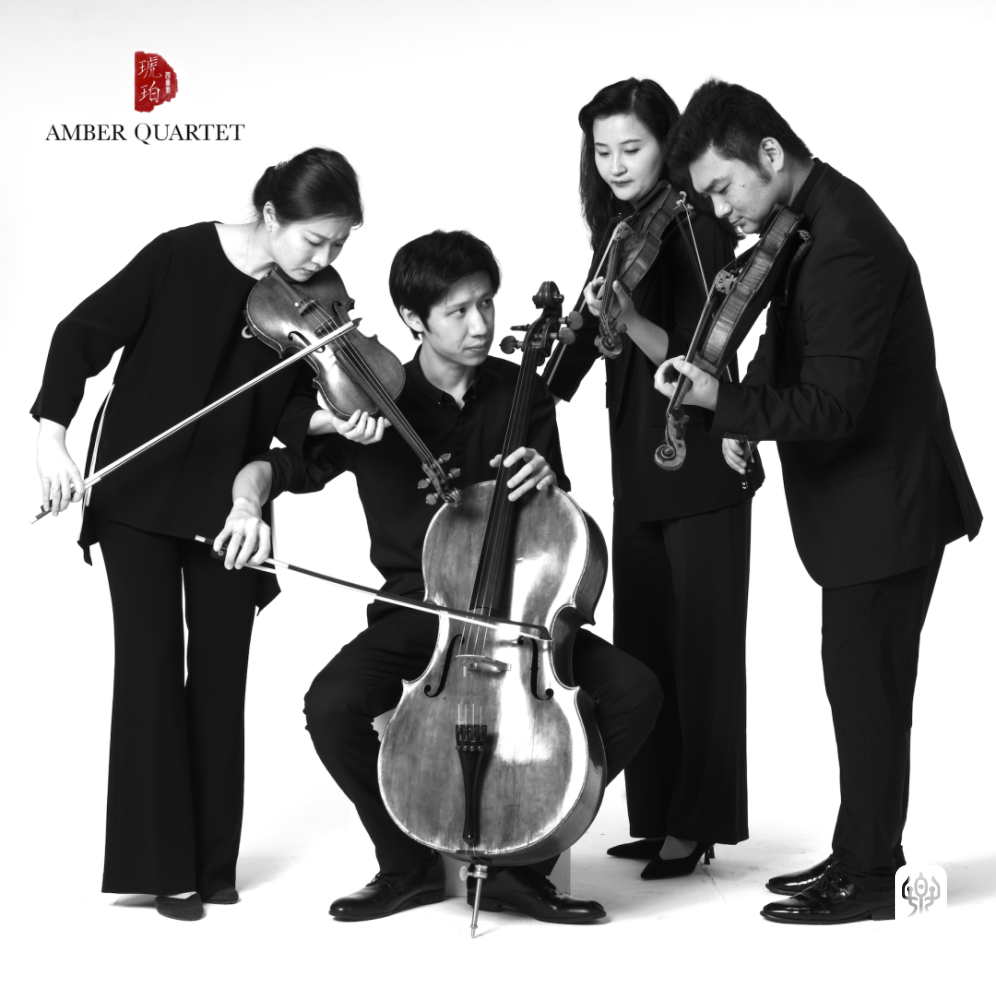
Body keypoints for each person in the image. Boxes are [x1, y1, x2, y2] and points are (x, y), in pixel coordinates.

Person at [216, 230, 662, 924]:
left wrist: (548, 480)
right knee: (331, 706)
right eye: (458, 311)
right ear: (413, 319)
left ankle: (523, 866)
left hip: (518, 615)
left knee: (636, 692)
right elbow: (271, 467)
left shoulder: (522, 389)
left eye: (486, 304)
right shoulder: (370, 401)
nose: (480, 325)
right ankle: (408, 866)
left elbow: (558, 522)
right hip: (418, 613)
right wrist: (247, 506)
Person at [658, 79, 982, 923]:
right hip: (868, 508)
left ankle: (872, 878)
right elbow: (786, 339)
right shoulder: (804, 220)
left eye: (722, 187)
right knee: (859, 688)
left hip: (887, 510)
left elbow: (832, 406)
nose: (720, 210)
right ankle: (858, 853)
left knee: (868, 694)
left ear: (769, 154)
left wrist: (723, 405)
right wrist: (741, 411)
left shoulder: (845, 242)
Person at [31, 147, 365, 921]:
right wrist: (51, 435)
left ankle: (213, 865)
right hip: (138, 495)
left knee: (221, 674)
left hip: (227, 506)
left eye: (338, 245)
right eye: (314, 240)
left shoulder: (302, 303)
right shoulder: (178, 255)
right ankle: (162, 869)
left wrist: (334, 419)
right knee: (148, 672)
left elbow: (288, 406)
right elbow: (81, 332)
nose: (324, 260)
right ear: (271, 214)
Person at [546, 78, 756, 879]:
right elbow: (580, 349)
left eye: (631, 148)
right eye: (602, 151)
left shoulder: (699, 223)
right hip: (636, 468)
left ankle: (697, 825)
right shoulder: (620, 232)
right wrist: (532, 378)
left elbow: (705, 352)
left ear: (666, 144)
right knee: (644, 652)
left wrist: (627, 317)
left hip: (699, 461)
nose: (616, 164)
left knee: (703, 656)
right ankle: (660, 813)